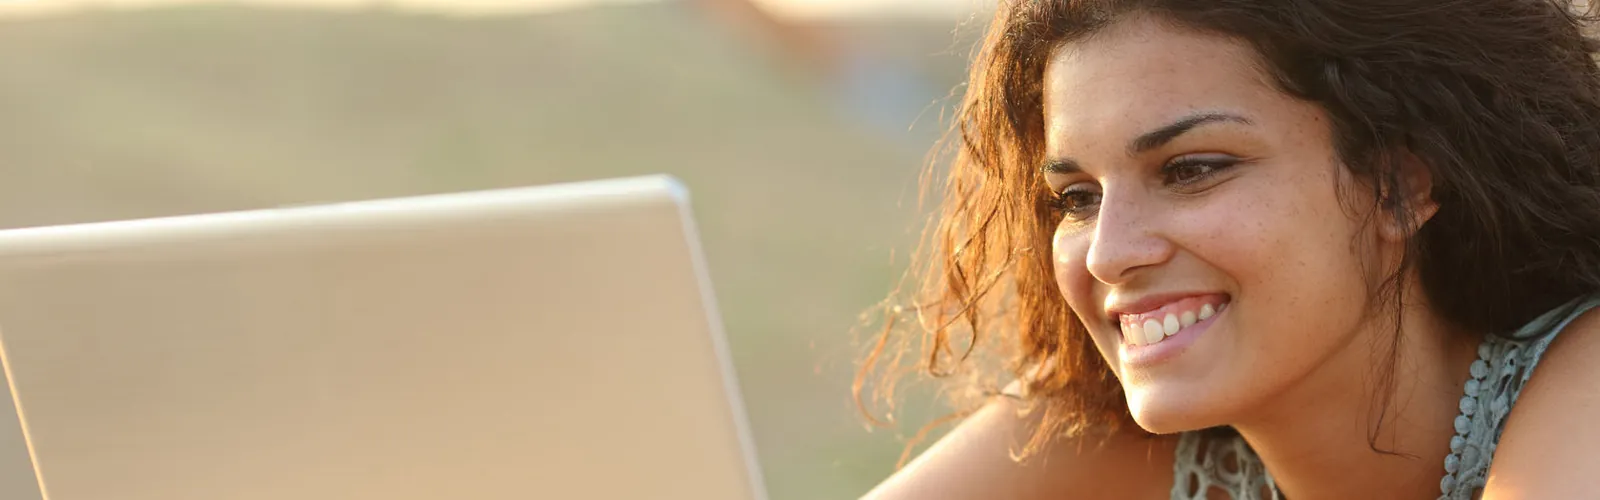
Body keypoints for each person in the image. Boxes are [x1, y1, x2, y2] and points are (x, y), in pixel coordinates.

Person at [856, 1, 1600, 498]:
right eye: (1077, 198)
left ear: (1398, 186)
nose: (1108, 255)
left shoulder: (1585, 387)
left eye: (1190, 170)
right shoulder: (1099, 434)